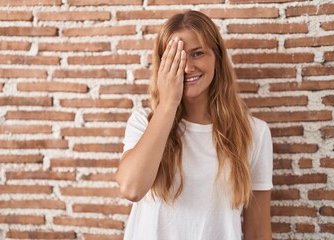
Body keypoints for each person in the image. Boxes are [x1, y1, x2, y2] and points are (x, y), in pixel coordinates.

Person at [115, 10, 273, 240]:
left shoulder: (255, 133)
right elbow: (131, 188)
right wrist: (169, 103)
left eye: (197, 53)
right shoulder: (144, 122)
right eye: (176, 57)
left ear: (217, 57)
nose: (187, 67)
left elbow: (258, 232)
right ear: (162, 65)